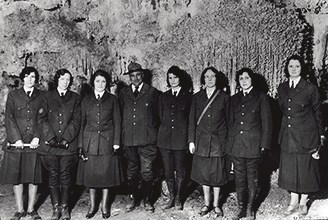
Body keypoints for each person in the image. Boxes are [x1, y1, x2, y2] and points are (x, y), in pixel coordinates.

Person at [277, 55, 324, 216]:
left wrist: (320, 138)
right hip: (288, 135)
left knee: (305, 169)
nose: (294, 69)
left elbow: (318, 113)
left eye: (297, 66)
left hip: (306, 135)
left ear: (302, 68)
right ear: (287, 68)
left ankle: (304, 202)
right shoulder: (282, 88)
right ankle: (293, 200)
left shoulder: (310, 88)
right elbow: (283, 111)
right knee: (290, 168)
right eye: (291, 66)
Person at [76, 69, 124, 219]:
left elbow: (117, 122)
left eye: (103, 81)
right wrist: (80, 145)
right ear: (92, 83)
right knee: (91, 178)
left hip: (107, 142)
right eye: (97, 81)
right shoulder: (86, 100)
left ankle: (104, 206)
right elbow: (82, 124)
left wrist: (116, 142)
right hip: (90, 142)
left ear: (107, 83)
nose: (100, 84)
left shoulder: (112, 99)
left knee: (106, 177)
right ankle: (92, 206)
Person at [226, 68, 272, 220]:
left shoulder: (261, 97)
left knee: (253, 178)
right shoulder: (234, 99)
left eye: (246, 78)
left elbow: (267, 123)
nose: (244, 81)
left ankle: (250, 209)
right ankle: (240, 209)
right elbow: (230, 123)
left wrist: (264, 144)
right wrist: (230, 145)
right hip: (237, 145)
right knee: (239, 178)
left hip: (253, 145)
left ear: (252, 80)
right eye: (241, 78)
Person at [0, 67, 43, 220]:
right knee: (16, 176)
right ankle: (19, 210)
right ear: (22, 79)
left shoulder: (42, 96)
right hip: (17, 142)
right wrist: (16, 139)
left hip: (33, 143)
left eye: (33, 77)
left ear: (36, 79)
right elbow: (9, 118)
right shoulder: (13, 95)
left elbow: (43, 119)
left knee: (33, 176)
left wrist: (37, 137)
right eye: (27, 77)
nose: (30, 79)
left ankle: (31, 209)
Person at [38, 69, 81, 220]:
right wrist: (50, 137)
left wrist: (66, 139)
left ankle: (65, 207)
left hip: (67, 147)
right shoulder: (47, 96)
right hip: (50, 146)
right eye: (63, 79)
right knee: (53, 175)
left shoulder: (75, 98)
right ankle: (56, 208)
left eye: (68, 79)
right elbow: (42, 119)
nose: (65, 82)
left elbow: (76, 120)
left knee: (66, 175)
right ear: (57, 80)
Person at [118, 62, 160, 213]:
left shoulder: (153, 92)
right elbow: (120, 115)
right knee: (131, 172)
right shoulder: (123, 93)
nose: (135, 78)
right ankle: (133, 199)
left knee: (147, 171)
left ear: (142, 75)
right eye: (132, 76)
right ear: (129, 77)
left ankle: (147, 200)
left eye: (138, 75)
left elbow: (158, 116)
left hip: (148, 140)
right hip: (129, 140)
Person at [188, 66, 229, 217]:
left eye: (212, 76)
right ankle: (206, 204)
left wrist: (227, 142)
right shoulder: (197, 97)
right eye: (207, 77)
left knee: (217, 175)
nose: (209, 79)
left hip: (218, 142)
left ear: (217, 79)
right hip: (202, 142)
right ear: (203, 79)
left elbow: (229, 121)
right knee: (205, 175)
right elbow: (192, 120)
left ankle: (217, 204)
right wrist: (191, 141)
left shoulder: (224, 97)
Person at [157, 66, 192, 210]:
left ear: (181, 79)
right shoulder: (163, 97)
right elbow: (160, 117)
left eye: (175, 77)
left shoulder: (188, 97)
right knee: (168, 170)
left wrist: (189, 139)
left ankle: (179, 198)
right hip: (165, 140)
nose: (173, 81)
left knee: (181, 170)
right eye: (170, 78)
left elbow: (191, 120)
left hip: (181, 140)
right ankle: (171, 197)